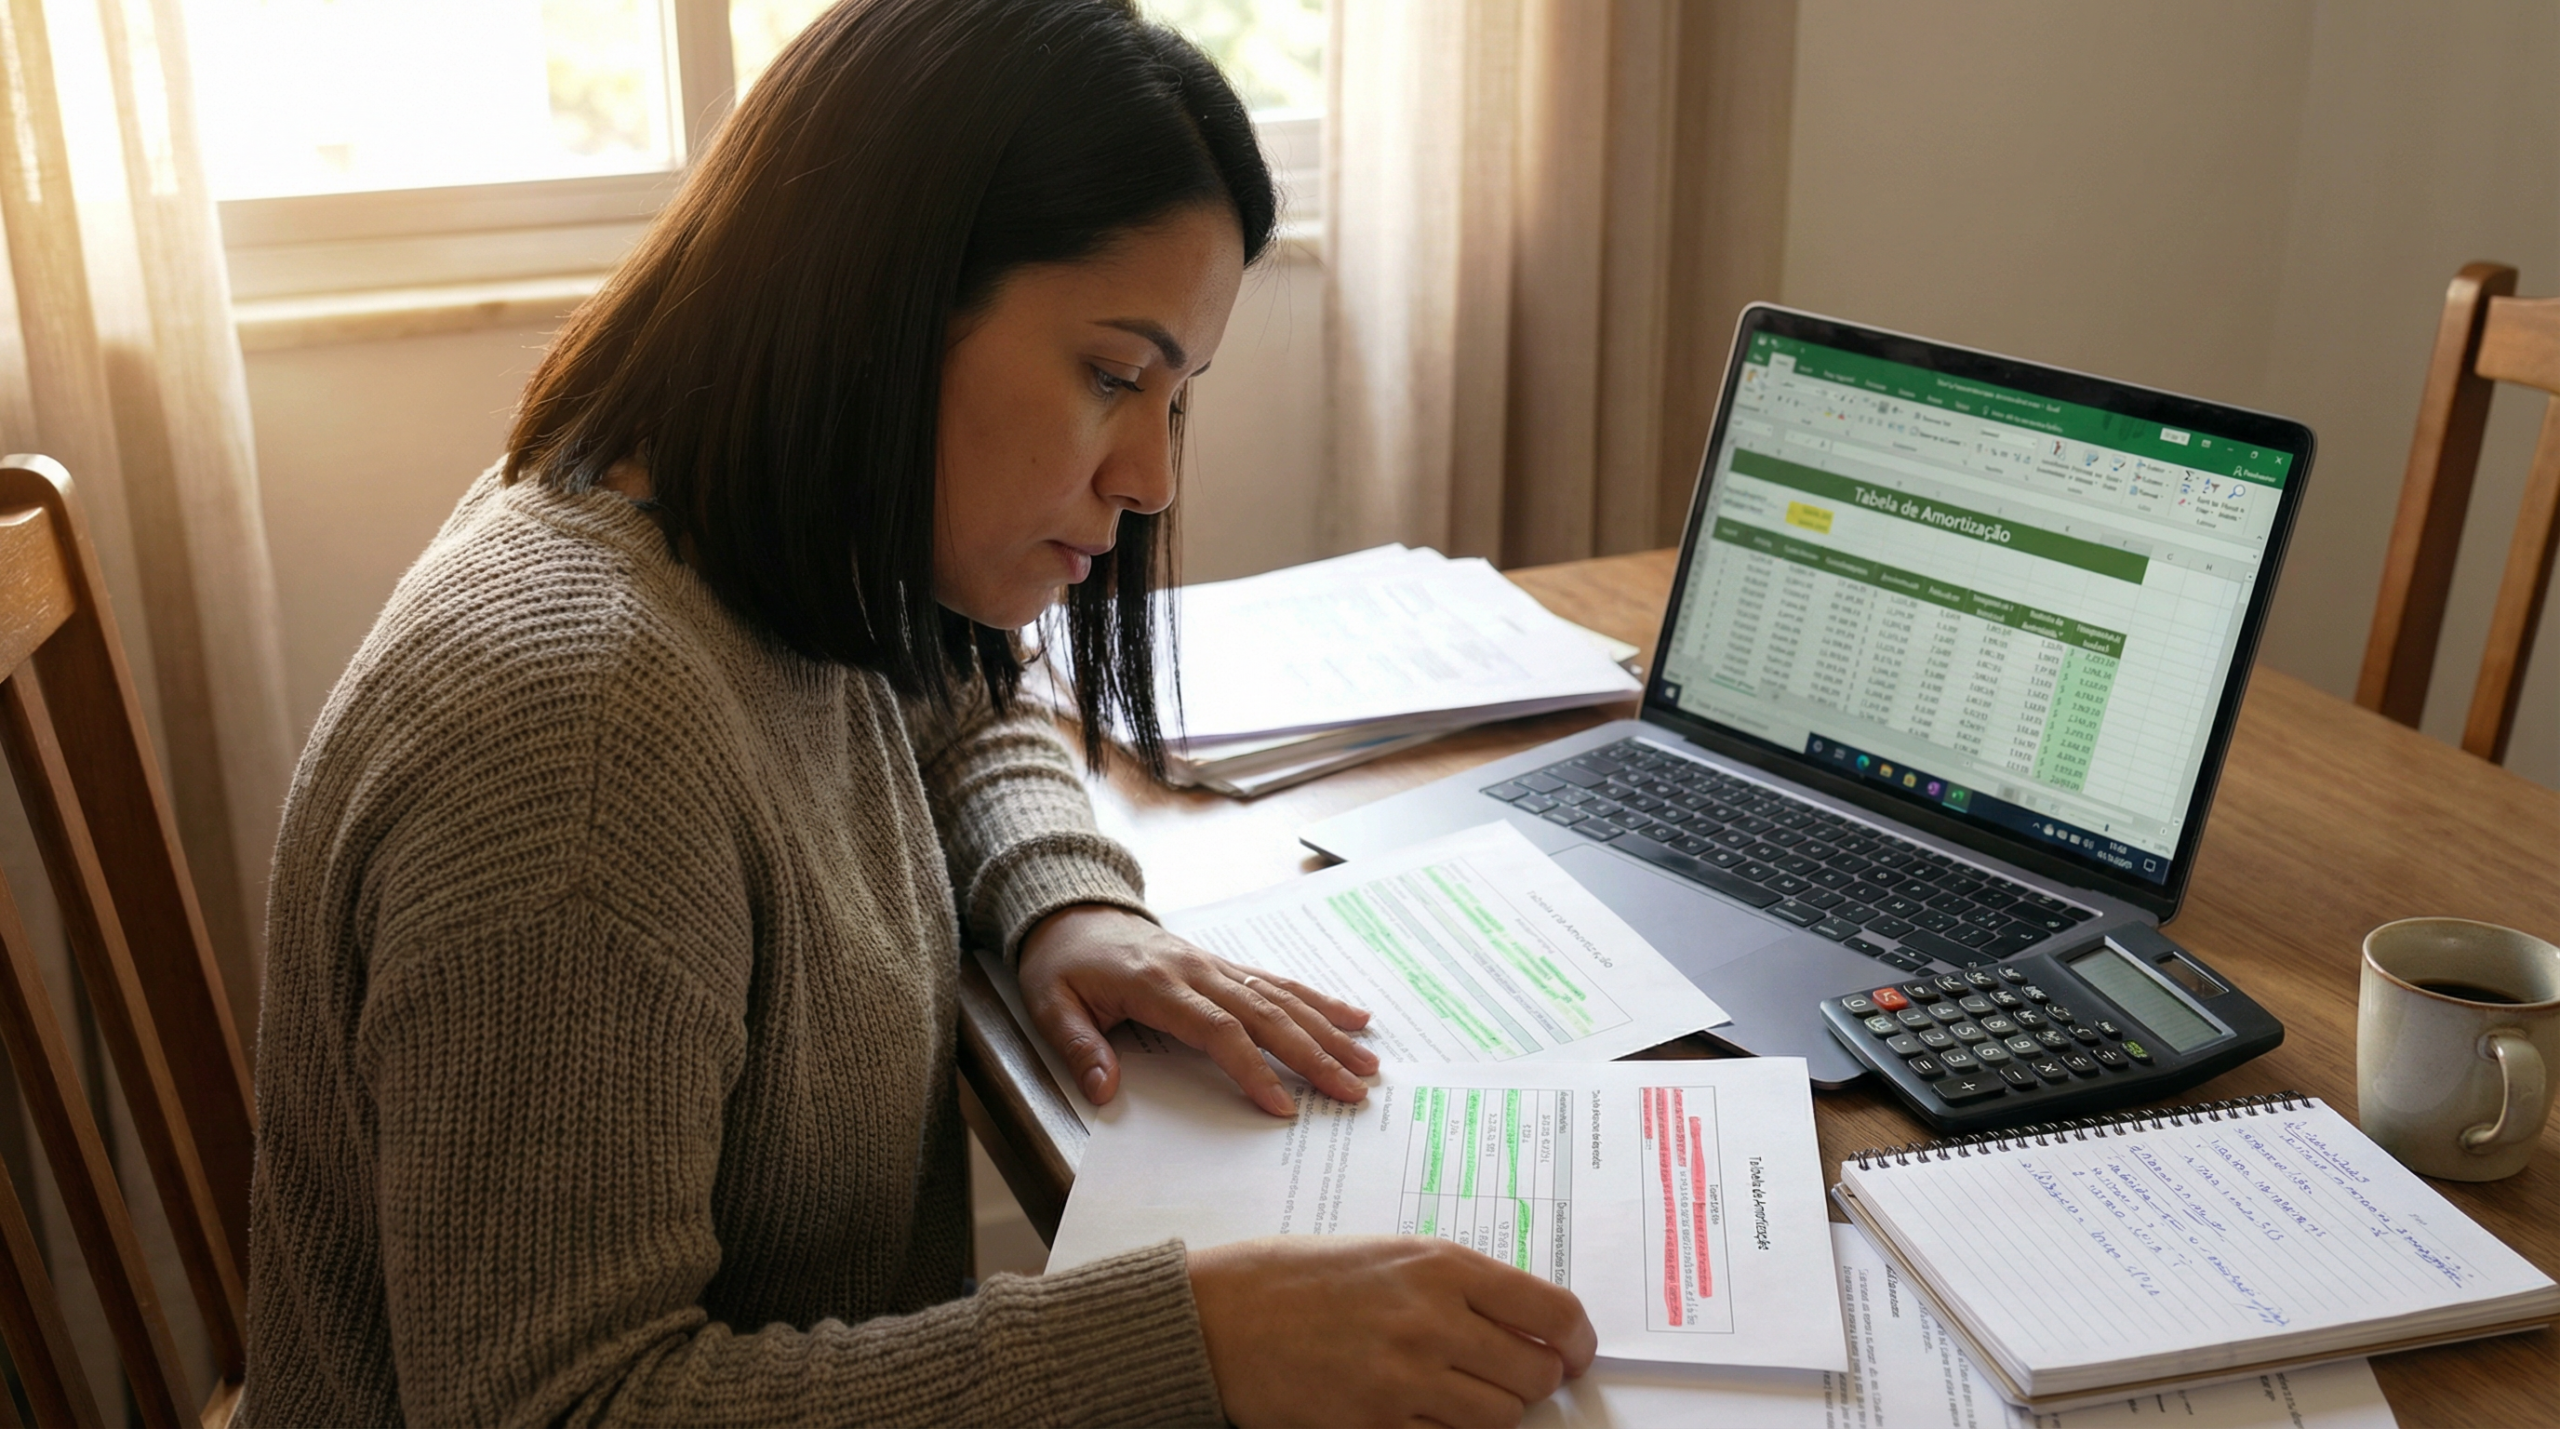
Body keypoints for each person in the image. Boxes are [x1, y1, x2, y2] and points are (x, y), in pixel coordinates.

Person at [240, 1, 1596, 1425]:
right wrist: (1188, 1350)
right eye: (1111, 376)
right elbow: (565, 1407)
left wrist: (1068, 903)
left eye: (1177, 397)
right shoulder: (575, 749)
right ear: (883, 299)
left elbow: (952, 699)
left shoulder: (764, 528)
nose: (1152, 477)